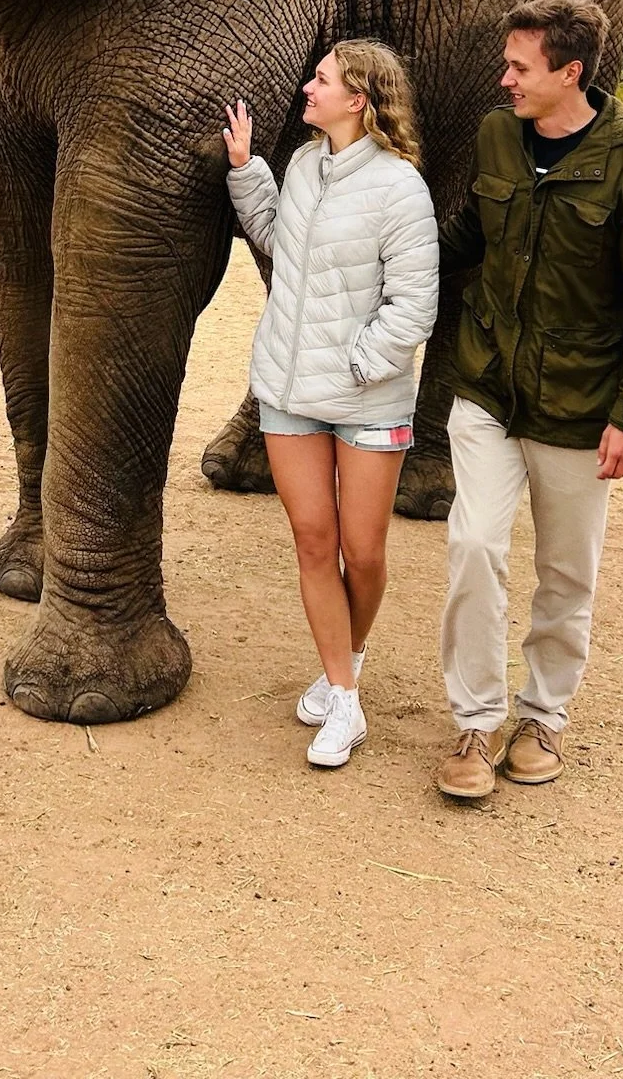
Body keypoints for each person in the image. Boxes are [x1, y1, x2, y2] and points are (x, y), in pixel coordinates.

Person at [434, 0, 623, 801]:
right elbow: (463, 242)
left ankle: (542, 715)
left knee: (565, 571)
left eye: (519, 66)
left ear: (569, 72)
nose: (503, 78)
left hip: (583, 408)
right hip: (487, 388)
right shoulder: (494, 138)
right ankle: (474, 722)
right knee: (474, 545)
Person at [223, 42, 439, 769]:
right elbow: (283, 246)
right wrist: (248, 171)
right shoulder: (304, 166)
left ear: (359, 99)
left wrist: (359, 365)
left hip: (366, 397)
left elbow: (414, 306)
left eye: (320, 79)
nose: (306, 88)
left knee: (364, 551)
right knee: (314, 542)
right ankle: (343, 698)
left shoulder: (401, 188)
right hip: (288, 393)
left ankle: (349, 655)